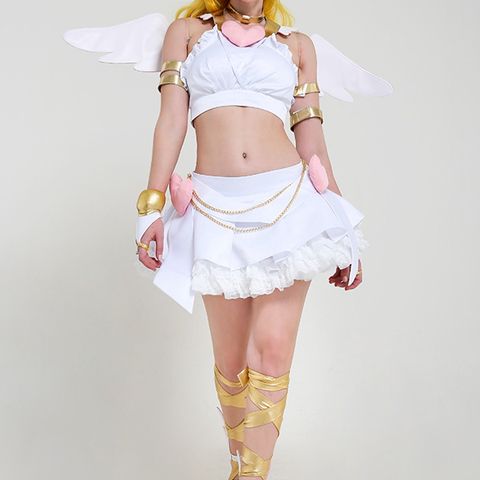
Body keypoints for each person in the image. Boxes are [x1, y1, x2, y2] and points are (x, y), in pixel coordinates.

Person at [64, 1, 392, 478]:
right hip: (214, 207)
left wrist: (342, 226)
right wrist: (151, 205)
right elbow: (172, 121)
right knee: (233, 362)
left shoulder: (297, 47)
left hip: (287, 201)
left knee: (272, 350)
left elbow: (312, 139)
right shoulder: (187, 34)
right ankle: (240, 470)